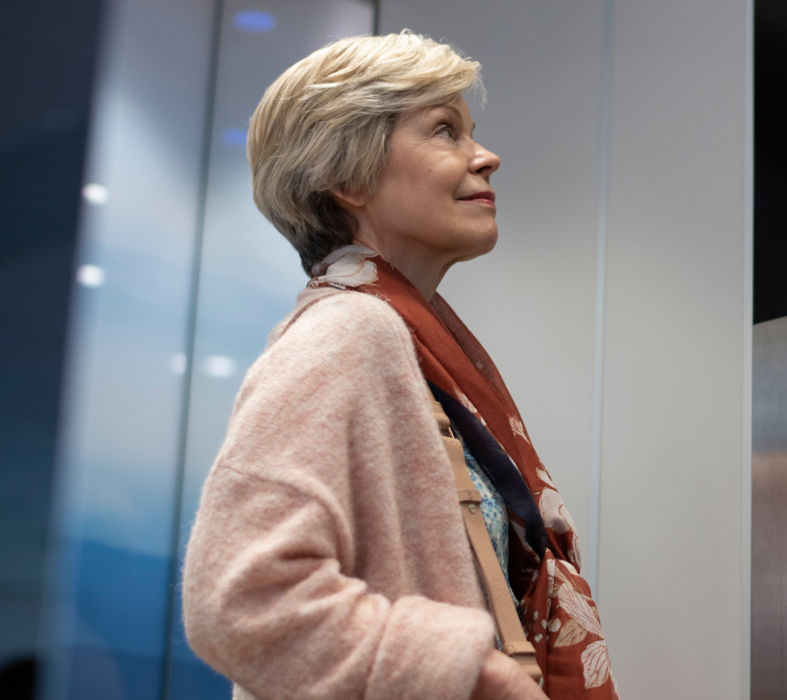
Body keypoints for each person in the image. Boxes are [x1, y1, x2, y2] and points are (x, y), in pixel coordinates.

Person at [181, 32, 617, 699]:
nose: (487, 157)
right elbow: (241, 599)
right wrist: (471, 675)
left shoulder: (410, 342)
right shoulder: (346, 332)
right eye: (445, 131)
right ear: (347, 178)